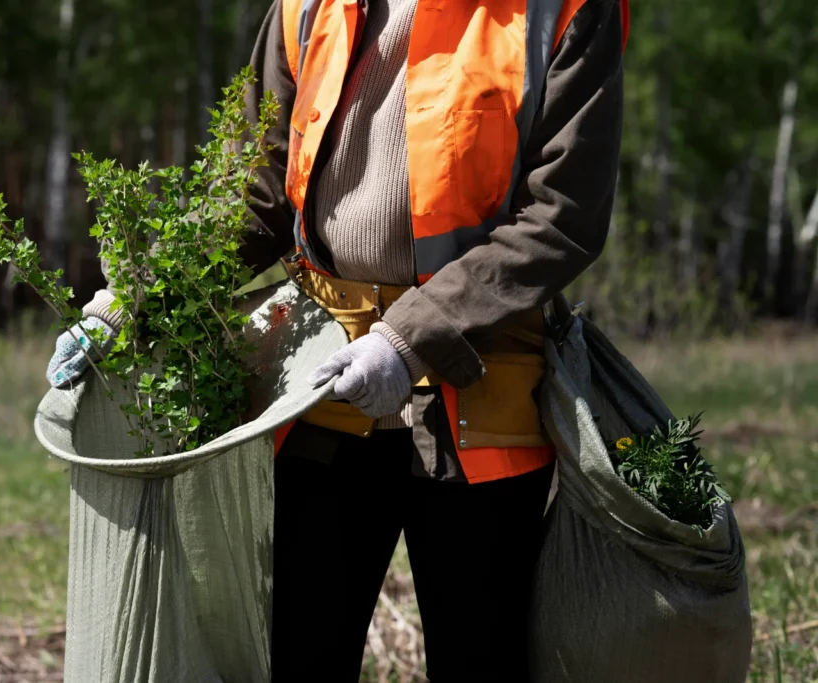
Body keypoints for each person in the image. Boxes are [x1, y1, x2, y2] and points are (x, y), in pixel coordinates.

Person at [47, 0, 627, 679]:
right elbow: (254, 193)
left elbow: (561, 218)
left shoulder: (559, 11)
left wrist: (406, 338)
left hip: (482, 398)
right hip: (319, 389)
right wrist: (134, 298)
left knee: (482, 656)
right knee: (302, 652)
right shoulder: (306, 7)